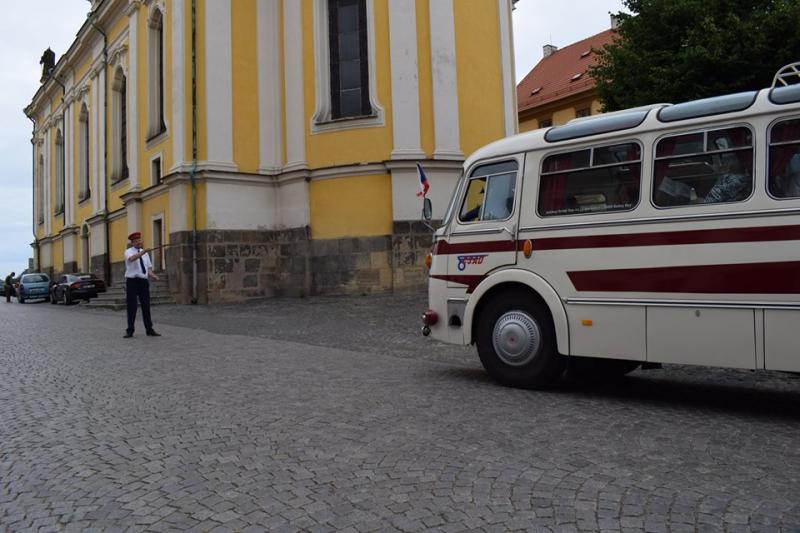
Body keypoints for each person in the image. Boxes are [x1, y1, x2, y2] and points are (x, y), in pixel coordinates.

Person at [124, 232, 161, 338]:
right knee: (132, 306)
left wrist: (153, 276)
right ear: (132, 243)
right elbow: (132, 259)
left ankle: (149, 329)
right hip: (132, 281)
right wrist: (143, 251)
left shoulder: (145, 254)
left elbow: (148, 268)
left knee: (146, 305)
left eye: (140, 240)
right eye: (136, 241)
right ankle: (130, 330)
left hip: (143, 282)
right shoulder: (128, 252)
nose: (139, 242)